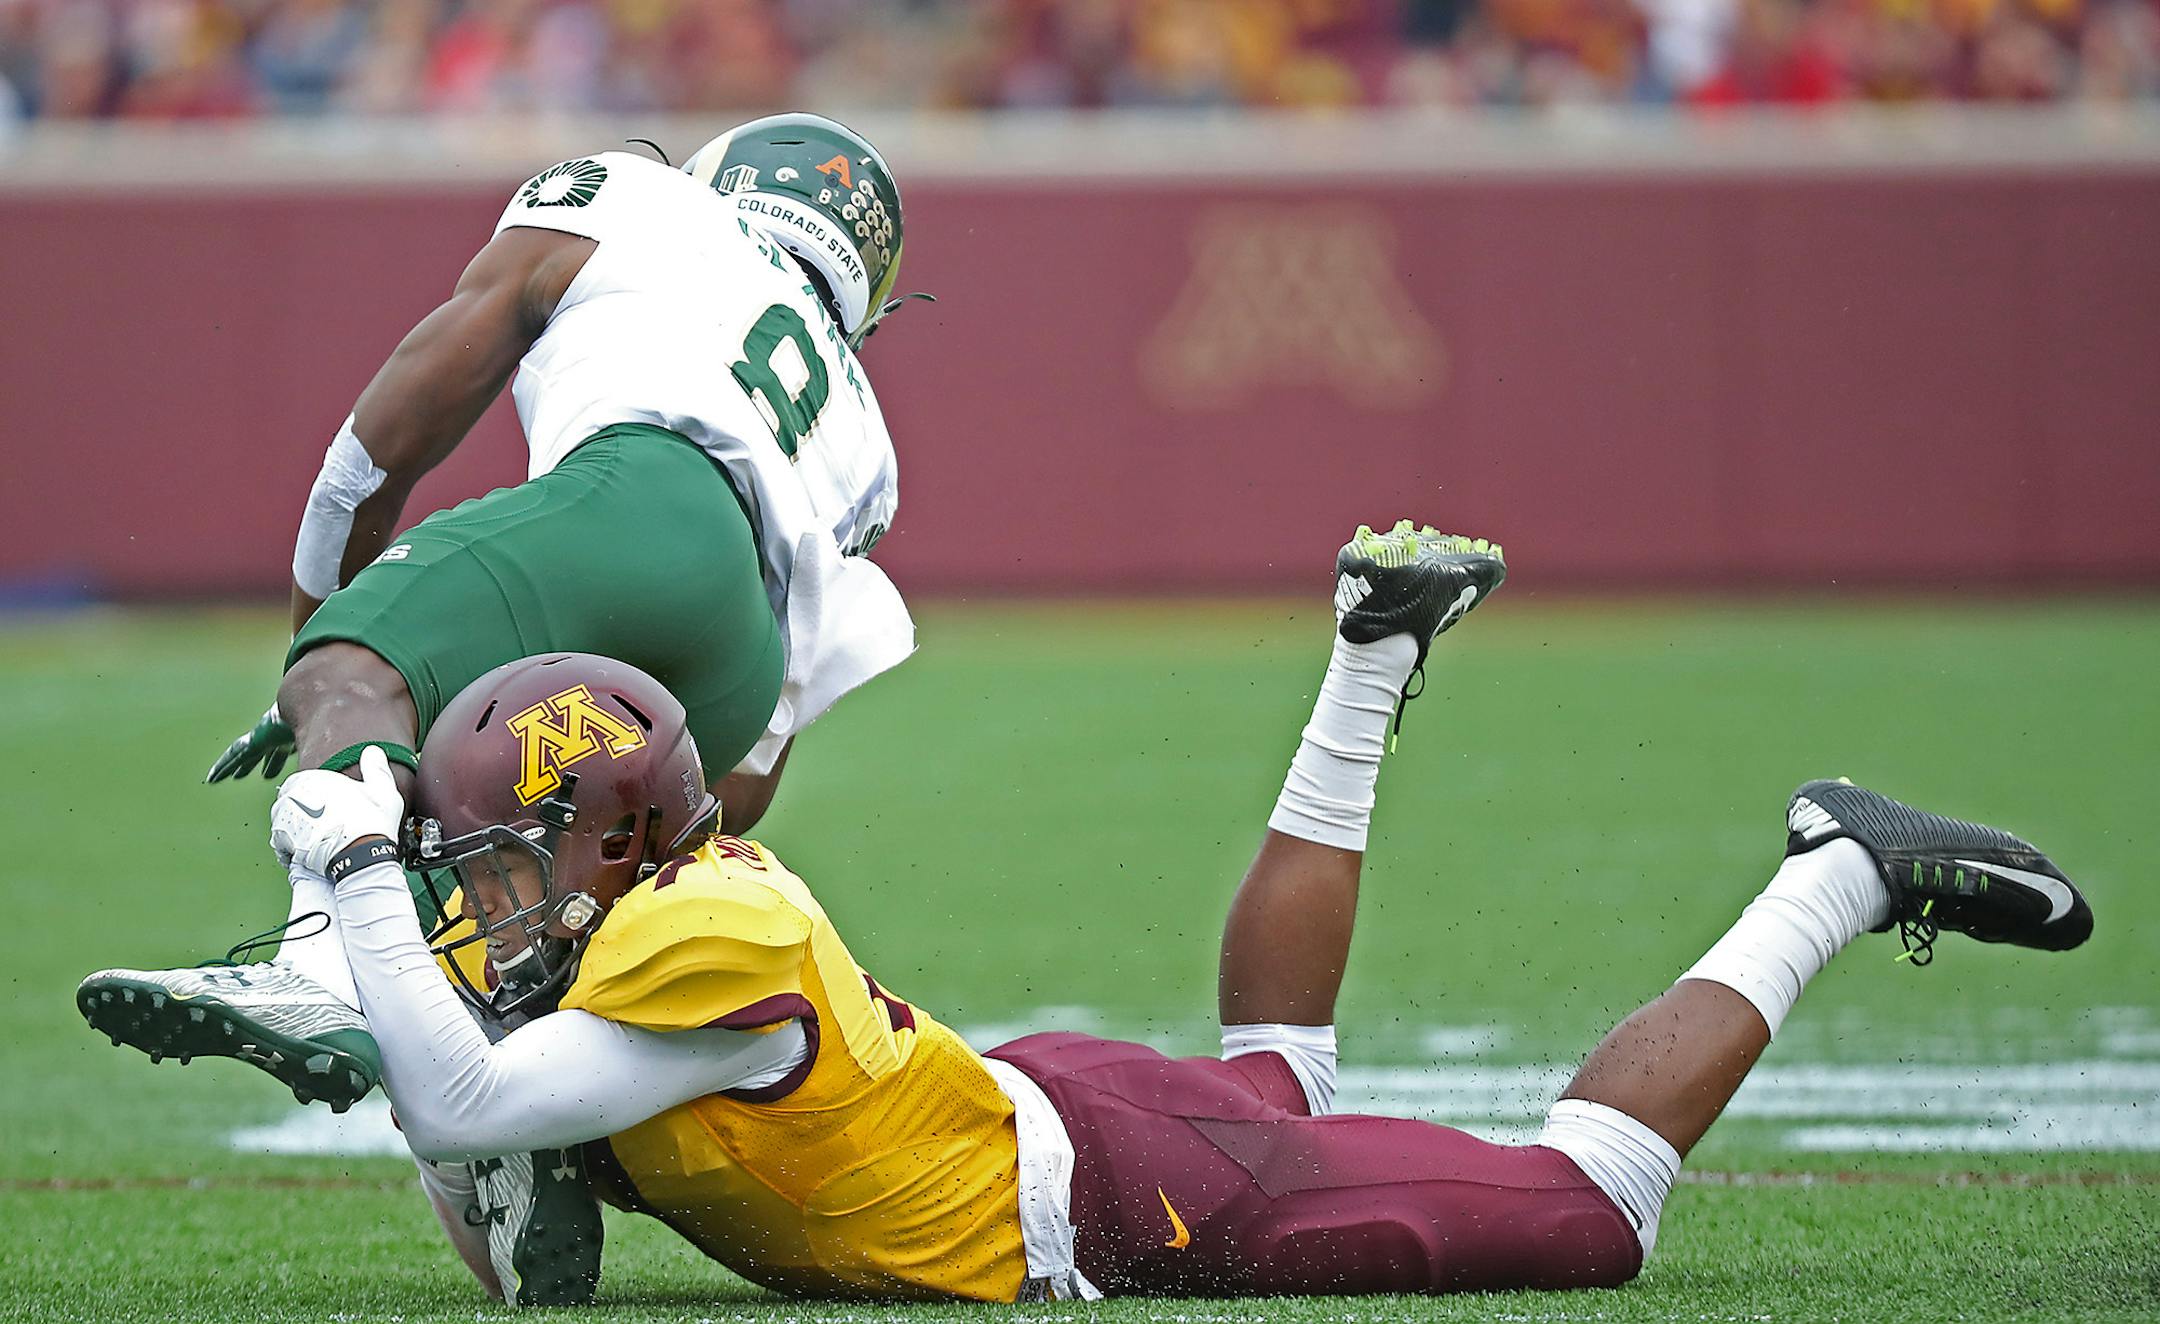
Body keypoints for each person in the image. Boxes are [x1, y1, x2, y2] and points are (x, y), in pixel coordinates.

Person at [85, 520, 2094, 1305]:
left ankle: (1837, 864)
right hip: (1023, 1110)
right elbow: (517, 1177)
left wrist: (337, 871)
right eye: (462, 854)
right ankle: (1371, 659)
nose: (474, 883)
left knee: (1586, 1224)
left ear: (615, 840)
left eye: (504, 854)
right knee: (1271, 1086)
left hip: (1104, 1186)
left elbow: (455, 1101)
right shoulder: (635, 906)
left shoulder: (700, 942)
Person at [78, 112, 931, 1114]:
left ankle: (315, 972)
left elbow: (384, 438)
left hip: (641, 498)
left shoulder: (639, 200)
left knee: (354, 689)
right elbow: (740, 784)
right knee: (508, 869)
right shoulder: (862, 434)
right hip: (734, 664)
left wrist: (331, 657)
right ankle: (526, 1152)